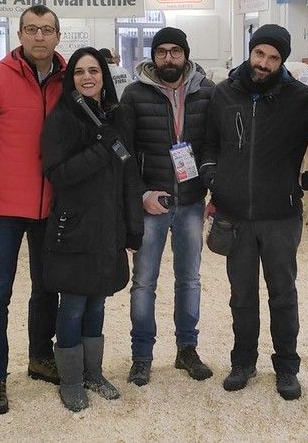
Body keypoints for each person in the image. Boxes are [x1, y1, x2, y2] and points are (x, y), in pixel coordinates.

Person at [199, 24, 308, 400]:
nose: (264, 63)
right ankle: (243, 362)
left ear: (282, 61)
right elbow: (209, 142)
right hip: (235, 216)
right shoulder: (224, 93)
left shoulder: (301, 99)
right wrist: (212, 175)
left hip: (281, 217)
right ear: (250, 51)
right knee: (241, 296)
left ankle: (287, 367)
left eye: (273, 58)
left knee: (283, 295)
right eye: (260, 54)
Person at [0, 5, 65, 416]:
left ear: (58, 36)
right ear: (20, 34)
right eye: (31, 29)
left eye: (47, 30)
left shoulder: (67, 80)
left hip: (50, 207)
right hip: (3, 208)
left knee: (47, 287)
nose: (39, 36)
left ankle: (40, 357)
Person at [40, 47, 144, 412]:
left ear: (104, 76)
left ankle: (93, 373)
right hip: (75, 226)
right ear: (71, 78)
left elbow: (129, 174)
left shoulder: (117, 116)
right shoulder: (62, 120)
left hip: (108, 226)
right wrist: (101, 150)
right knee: (72, 305)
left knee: (97, 301)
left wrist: (133, 227)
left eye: (94, 71)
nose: (87, 77)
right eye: (80, 71)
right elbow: (57, 174)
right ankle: (70, 380)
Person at [118, 26, 216, 386]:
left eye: (175, 51)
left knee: (189, 279)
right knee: (144, 282)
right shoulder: (134, 94)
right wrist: (142, 193)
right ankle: (142, 355)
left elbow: (214, 145)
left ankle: (187, 349)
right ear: (153, 56)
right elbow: (123, 151)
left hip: (191, 202)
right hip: (152, 205)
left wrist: (213, 189)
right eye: (162, 52)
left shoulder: (207, 92)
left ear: (185, 55)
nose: (169, 58)